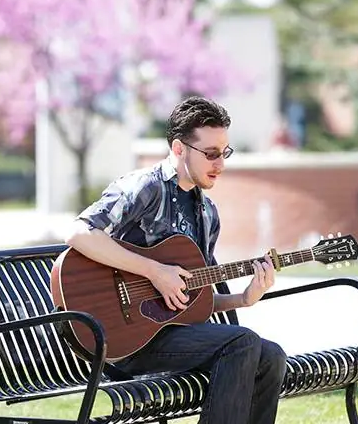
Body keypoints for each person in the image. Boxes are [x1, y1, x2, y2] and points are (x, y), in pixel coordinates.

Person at [65, 96, 287, 424]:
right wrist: (154, 271)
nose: (220, 164)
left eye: (224, 153)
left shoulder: (207, 213)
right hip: (123, 338)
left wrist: (244, 297)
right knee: (241, 342)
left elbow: (196, 301)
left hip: (170, 334)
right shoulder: (145, 188)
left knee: (271, 356)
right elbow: (78, 233)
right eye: (211, 154)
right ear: (179, 149)